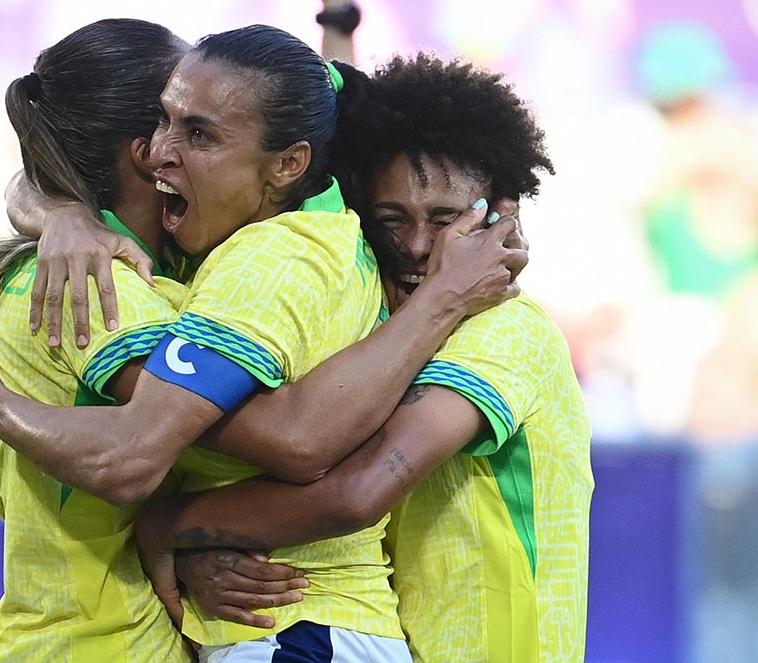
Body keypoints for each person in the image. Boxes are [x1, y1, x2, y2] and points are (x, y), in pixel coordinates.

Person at [0, 23, 526, 661]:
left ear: (289, 163)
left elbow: (281, 445)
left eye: (196, 133)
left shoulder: (261, 255)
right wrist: (56, 208)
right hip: (124, 642)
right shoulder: (110, 278)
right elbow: (244, 441)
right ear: (135, 150)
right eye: (166, 123)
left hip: (281, 631)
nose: (168, 150)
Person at [130, 53, 594, 663]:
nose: (420, 246)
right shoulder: (393, 324)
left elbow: (357, 492)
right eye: (391, 219)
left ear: (503, 215)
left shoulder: (504, 331)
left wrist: (168, 527)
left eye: (446, 218)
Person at [0, 18, 196, 662]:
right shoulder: (100, 290)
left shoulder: (109, 260)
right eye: (193, 121)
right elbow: (283, 439)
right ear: (150, 150)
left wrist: (55, 208)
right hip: (94, 647)